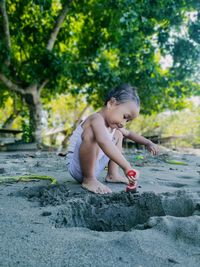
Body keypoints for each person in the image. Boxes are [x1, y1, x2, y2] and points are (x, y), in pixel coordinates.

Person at [66, 84, 159, 194]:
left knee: (119, 134)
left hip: (95, 166)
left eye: (127, 121)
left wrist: (147, 142)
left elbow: (129, 134)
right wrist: (127, 167)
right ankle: (89, 179)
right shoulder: (95, 119)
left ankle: (112, 174)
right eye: (125, 117)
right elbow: (104, 142)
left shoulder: (114, 126)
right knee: (93, 132)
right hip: (78, 167)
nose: (123, 123)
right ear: (111, 104)